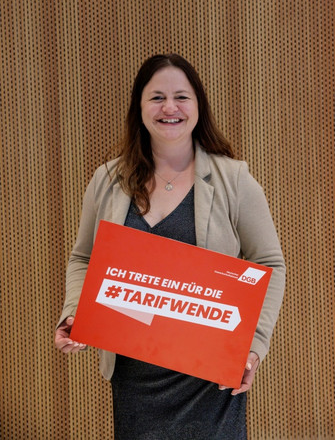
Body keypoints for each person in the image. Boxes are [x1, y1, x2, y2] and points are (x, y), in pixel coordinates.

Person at [55, 53, 285, 439]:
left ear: (198, 106)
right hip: (133, 378)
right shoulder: (107, 180)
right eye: (157, 97)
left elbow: (269, 263)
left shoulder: (234, 179)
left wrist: (255, 345)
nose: (170, 107)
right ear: (139, 108)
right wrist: (76, 312)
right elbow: (83, 256)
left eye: (181, 96)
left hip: (209, 379)